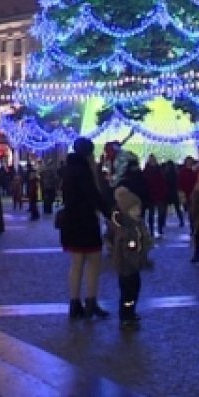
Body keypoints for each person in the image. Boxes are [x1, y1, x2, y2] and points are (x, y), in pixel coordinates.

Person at [60, 137, 111, 319]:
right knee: (93, 261)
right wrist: (108, 213)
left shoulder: (68, 168)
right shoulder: (84, 170)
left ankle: (74, 303)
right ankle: (91, 301)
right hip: (86, 220)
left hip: (71, 220)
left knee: (76, 263)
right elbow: (93, 195)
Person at [111, 185, 152, 329]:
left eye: (138, 209)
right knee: (127, 293)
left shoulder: (136, 225)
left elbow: (143, 242)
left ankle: (131, 312)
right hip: (127, 267)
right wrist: (137, 261)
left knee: (134, 290)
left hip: (134, 266)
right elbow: (127, 251)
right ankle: (125, 316)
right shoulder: (126, 229)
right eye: (134, 210)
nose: (138, 212)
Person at [142, 155, 168, 237]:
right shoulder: (149, 170)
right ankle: (153, 230)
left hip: (157, 195)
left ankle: (157, 229)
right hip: (152, 195)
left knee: (157, 213)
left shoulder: (155, 170)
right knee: (152, 214)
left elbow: (163, 183)